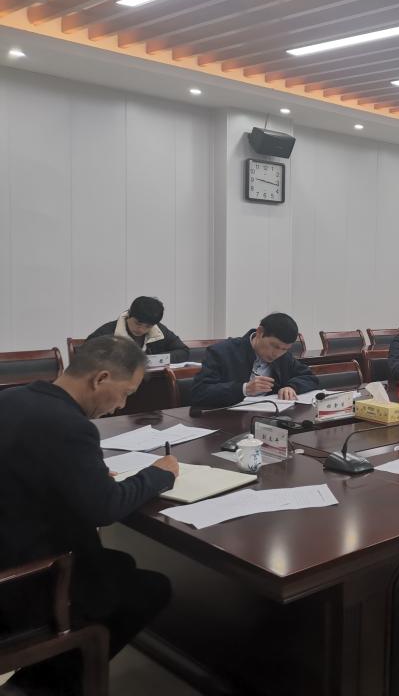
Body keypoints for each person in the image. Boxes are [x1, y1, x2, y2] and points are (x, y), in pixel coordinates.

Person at [0, 336, 179, 694]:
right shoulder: (71, 425)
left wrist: (86, 477)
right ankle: (46, 685)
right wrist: (160, 474)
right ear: (100, 379)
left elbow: (29, 466)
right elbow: (105, 508)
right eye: (125, 393)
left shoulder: (12, 398)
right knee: (150, 587)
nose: (121, 405)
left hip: (9, 544)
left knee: (122, 565)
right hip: (25, 580)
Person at [191, 313, 317, 408]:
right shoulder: (222, 352)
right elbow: (200, 393)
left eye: (284, 349)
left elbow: (309, 377)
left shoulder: (283, 356)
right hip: (228, 419)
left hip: (269, 417)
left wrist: (291, 387)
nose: (277, 354)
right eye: (274, 346)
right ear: (260, 332)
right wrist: (244, 389)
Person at [87, 295, 188, 363]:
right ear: (129, 315)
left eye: (148, 326)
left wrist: (155, 360)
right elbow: (86, 355)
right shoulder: (107, 332)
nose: (141, 330)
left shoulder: (159, 331)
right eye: (138, 323)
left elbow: (183, 351)